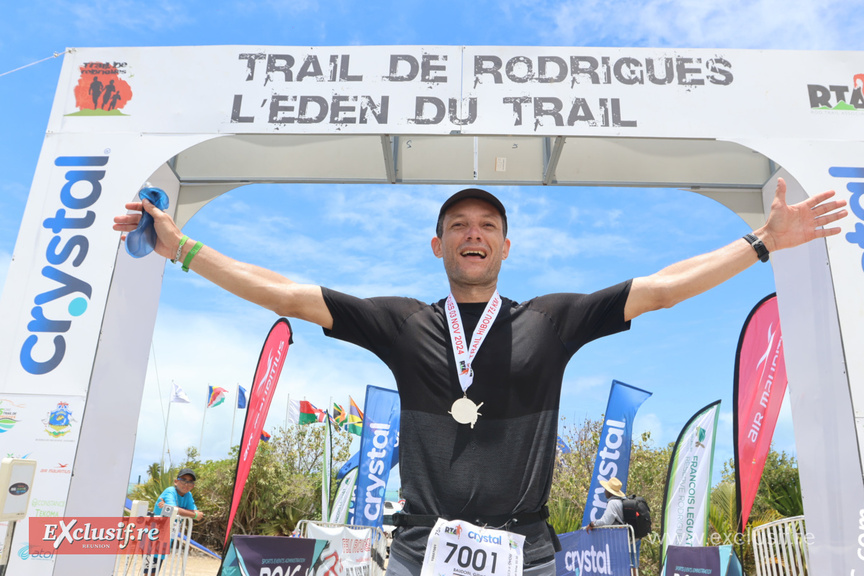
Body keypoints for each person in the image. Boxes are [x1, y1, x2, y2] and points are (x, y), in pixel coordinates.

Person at [114, 180, 846, 576]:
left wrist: (757, 244)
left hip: (525, 556)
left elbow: (659, 288)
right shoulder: (401, 324)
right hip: (415, 553)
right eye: (459, 224)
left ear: (507, 245)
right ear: (438, 244)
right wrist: (182, 250)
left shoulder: (552, 320)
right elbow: (286, 293)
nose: (473, 233)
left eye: (487, 225)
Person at [585, 477, 640, 575]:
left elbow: (606, 521)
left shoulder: (613, 503)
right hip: (634, 536)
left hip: (623, 539)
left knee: (619, 565)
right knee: (634, 564)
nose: (605, 491)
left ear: (610, 492)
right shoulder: (624, 500)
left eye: (606, 489)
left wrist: (592, 524)